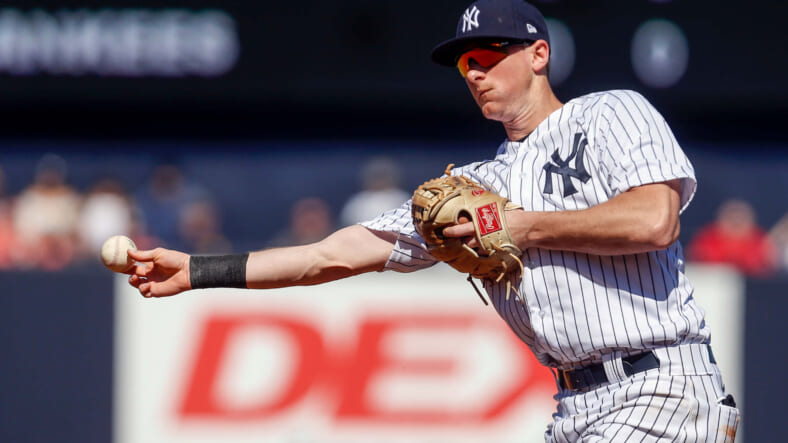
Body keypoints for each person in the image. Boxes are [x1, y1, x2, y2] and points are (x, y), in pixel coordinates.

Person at [126, 1, 740, 441]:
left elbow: (655, 220)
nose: (473, 71)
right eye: (464, 62)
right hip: (575, 407)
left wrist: (522, 227)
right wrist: (199, 270)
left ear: (539, 54)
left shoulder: (610, 113)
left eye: (488, 55)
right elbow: (330, 255)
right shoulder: (474, 187)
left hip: (661, 388)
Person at [687, 199, 777, 276]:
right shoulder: (705, 239)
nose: (736, 222)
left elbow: (766, 268)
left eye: (741, 219)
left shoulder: (761, 241)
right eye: (731, 218)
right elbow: (698, 265)